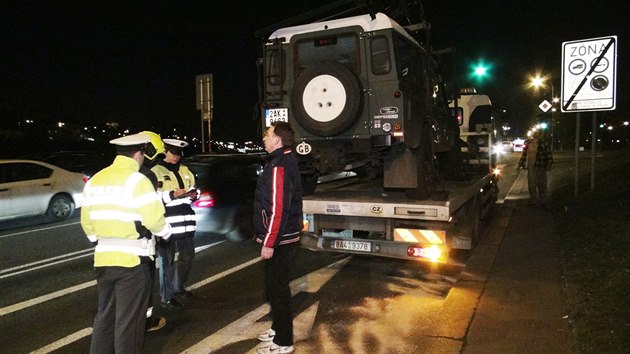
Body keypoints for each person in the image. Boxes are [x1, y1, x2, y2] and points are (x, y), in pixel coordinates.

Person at [81, 133, 171, 354]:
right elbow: (154, 220)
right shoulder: (137, 180)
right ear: (139, 153)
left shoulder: (96, 179)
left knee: (105, 318)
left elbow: (86, 222)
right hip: (132, 262)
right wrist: (166, 232)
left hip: (103, 260)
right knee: (128, 325)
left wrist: (101, 241)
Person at [254, 122, 303, 354]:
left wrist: (269, 243)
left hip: (280, 241)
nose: (264, 137)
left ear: (277, 140)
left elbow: (278, 208)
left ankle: (284, 341)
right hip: (283, 238)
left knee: (278, 289)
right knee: (273, 288)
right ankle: (277, 328)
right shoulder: (280, 160)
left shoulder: (279, 166)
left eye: (268, 133)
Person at [151, 138, 198, 310]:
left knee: (188, 256)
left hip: (186, 222)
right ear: (165, 152)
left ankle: (179, 288)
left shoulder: (186, 170)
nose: (176, 157)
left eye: (179, 154)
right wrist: (172, 195)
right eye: (173, 153)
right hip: (167, 224)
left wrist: (195, 194)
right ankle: (167, 297)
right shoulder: (155, 171)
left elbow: (195, 188)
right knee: (167, 262)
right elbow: (153, 198)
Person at [139, 131, 167, 332]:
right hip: (141, 243)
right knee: (144, 285)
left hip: (107, 248)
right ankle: (146, 322)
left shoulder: (105, 175)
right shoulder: (145, 176)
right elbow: (152, 214)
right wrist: (164, 231)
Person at [518, 129, 553, 205]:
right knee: (531, 185)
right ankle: (533, 201)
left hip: (541, 168)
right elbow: (524, 155)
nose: (535, 134)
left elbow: (549, 155)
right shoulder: (528, 143)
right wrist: (521, 164)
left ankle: (543, 201)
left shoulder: (543, 144)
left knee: (542, 185)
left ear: (539, 134)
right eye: (534, 133)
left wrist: (548, 165)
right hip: (531, 168)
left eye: (537, 133)